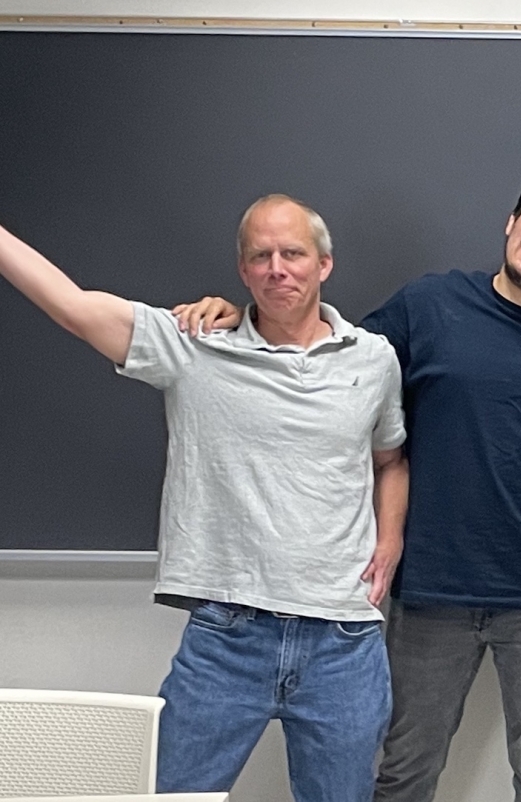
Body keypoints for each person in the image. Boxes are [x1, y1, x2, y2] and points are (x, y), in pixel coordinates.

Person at [173, 180, 521, 802]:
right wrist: (239, 315)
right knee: (405, 770)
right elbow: (331, 357)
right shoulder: (430, 304)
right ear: (511, 222)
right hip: (432, 586)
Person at [0, 195, 407, 800]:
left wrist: (392, 537)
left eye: (293, 253)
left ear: (324, 264)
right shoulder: (192, 345)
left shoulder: (374, 360)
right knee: (170, 797)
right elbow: (72, 307)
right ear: (242, 271)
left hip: (343, 642)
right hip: (227, 634)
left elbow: (390, 459)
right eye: (260, 256)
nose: (278, 268)